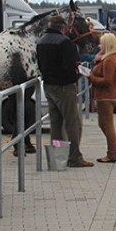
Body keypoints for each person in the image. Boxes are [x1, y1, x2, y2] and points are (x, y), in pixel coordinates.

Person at [36, 16, 94, 168]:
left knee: (55, 124)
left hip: (48, 85)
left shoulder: (41, 41)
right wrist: (76, 76)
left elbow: (40, 64)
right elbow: (70, 66)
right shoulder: (64, 42)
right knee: (72, 122)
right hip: (64, 86)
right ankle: (74, 156)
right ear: (63, 28)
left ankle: (58, 155)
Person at [88, 33, 116, 163]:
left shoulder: (109, 60)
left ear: (107, 45)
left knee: (106, 125)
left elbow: (107, 81)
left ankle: (111, 153)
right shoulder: (113, 57)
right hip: (112, 95)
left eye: (102, 43)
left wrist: (90, 77)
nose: (99, 45)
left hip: (106, 96)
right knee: (104, 124)